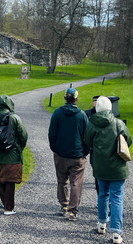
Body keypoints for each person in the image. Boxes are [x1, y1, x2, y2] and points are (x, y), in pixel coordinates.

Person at [85, 96, 132, 244]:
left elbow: (87, 141)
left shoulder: (92, 124)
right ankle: (116, 233)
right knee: (117, 198)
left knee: (103, 195)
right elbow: (128, 141)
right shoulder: (118, 123)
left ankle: (101, 224)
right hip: (118, 167)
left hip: (100, 165)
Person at [48, 87, 89, 220]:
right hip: (77, 155)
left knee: (62, 180)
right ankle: (73, 211)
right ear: (76, 99)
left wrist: (54, 148)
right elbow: (86, 136)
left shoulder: (57, 113)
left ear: (65, 98)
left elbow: (52, 134)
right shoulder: (82, 115)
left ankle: (63, 205)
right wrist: (85, 152)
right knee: (76, 183)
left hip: (61, 153)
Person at [0, 94, 29, 215]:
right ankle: (8, 208)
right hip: (13, 155)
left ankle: (5, 202)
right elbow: (23, 135)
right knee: (10, 181)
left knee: (1, 179)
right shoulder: (14, 118)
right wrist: (20, 147)